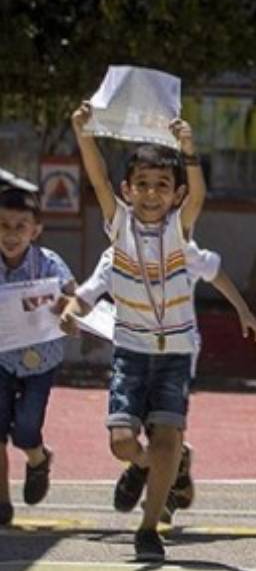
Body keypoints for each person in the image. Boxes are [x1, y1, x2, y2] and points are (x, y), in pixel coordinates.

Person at [66, 102, 205, 562]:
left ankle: (149, 529)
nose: (150, 194)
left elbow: (200, 195)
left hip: (175, 353)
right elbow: (99, 178)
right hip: (130, 351)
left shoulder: (179, 230)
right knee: (123, 442)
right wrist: (83, 133)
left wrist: (188, 150)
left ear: (176, 194)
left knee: (166, 434)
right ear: (128, 190)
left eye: (162, 186)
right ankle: (156, 466)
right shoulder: (119, 223)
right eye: (141, 185)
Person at [66, 241, 256, 524]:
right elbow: (85, 296)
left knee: (166, 427)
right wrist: (68, 312)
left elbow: (215, 271)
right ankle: (147, 463)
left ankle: (161, 499)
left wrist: (243, 310)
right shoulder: (116, 255)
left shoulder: (183, 249)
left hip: (177, 353)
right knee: (129, 431)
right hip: (134, 354)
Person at [0, 188, 75, 526]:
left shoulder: (49, 263)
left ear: (36, 229)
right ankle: (2, 501)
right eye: (2, 225)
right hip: (1, 359)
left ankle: (38, 459)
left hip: (40, 361)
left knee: (26, 430)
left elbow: (74, 300)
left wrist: (68, 310)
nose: (11, 233)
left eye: (20, 226)